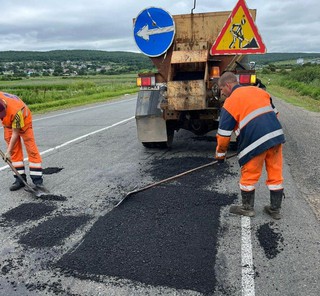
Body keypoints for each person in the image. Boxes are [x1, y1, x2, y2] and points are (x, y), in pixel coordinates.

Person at [215, 72, 285, 219]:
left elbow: (223, 135)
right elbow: (275, 114)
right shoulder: (259, 91)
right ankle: (275, 209)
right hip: (276, 137)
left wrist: (220, 156)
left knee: (249, 174)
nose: (222, 92)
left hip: (255, 141)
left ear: (228, 85)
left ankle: (247, 208)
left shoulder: (230, 102)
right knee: (275, 173)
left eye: (221, 89)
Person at [0, 91, 44, 191]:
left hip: (24, 122)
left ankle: (37, 181)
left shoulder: (17, 112)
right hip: (8, 124)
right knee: (15, 152)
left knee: (31, 149)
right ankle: (20, 180)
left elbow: (15, 133)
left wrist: (8, 152)